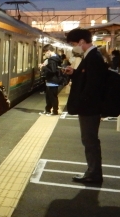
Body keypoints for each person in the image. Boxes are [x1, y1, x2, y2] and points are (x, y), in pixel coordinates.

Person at [64, 28, 109, 184]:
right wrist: (74, 73)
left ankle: (94, 174)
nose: (73, 47)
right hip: (90, 107)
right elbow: (87, 77)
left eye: (73, 43)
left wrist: (80, 102)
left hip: (89, 108)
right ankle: (92, 171)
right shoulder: (92, 56)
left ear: (82, 41)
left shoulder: (94, 57)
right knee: (89, 140)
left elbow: (93, 86)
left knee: (89, 141)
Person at [39, 44, 62, 115]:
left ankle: (54, 111)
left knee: (52, 97)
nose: (45, 54)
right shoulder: (56, 58)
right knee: (49, 97)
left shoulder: (52, 60)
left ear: (48, 51)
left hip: (53, 81)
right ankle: (48, 110)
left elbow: (52, 70)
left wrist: (43, 67)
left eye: (45, 53)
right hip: (52, 81)